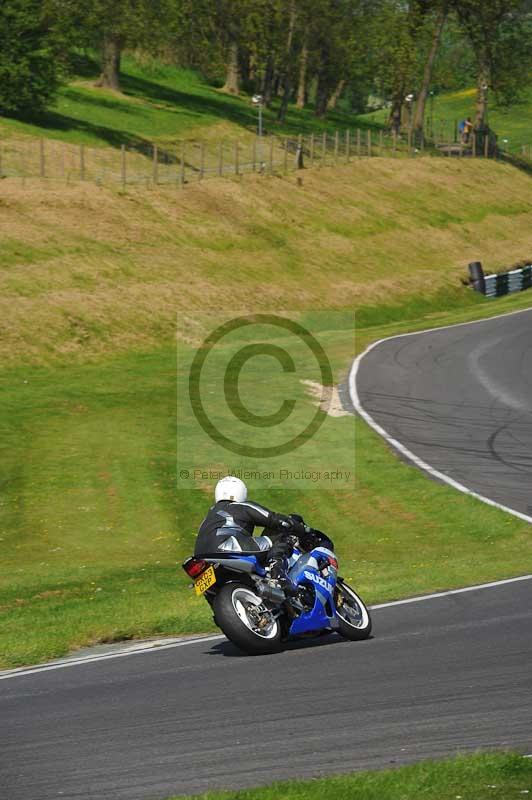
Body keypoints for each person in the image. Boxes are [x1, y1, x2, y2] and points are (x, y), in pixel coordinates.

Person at [194, 475, 314, 592]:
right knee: (283, 538)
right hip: (226, 546)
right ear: (241, 492)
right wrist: (304, 530)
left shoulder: (207, 518)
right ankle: (277, 575)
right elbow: (275, 519)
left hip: (200, 559)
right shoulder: (241, 506)